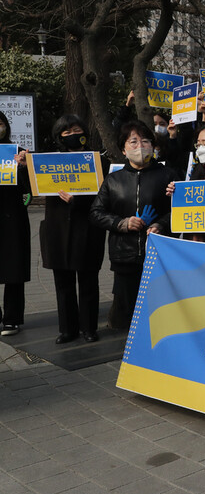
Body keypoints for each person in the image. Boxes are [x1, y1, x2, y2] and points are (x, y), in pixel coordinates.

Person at [90, 120, 177, 332]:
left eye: (145, 141)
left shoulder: (168, 176)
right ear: (123, 148)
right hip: (124, 255)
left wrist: (161, 225)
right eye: (134, 142)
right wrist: (122, 223)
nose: (140, 147)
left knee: (158, 308)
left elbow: (180, 211)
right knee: (127, 309)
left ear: (153, 146)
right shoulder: (113, 180)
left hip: (159, 254)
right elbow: (96, 213)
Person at [41, 115, 107, 344]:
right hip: (57, 229)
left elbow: (104, 195)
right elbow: (33, 186)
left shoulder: (98, 160)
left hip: (87, 228)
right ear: (58, 136)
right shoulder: (48, 162)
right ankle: (67, 329)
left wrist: (77, 201)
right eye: (66, 133)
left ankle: (89, 328)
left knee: (89, 280)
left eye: (76, 130)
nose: (72, 135)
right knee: (63, 282)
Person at [0, 111, 30, 336]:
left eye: (0, 124)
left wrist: (22, 168)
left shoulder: (18, 153)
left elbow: (29, 189)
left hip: (12, 218)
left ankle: (12, 319)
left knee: (14, 269)